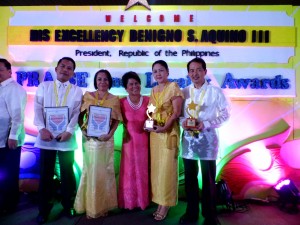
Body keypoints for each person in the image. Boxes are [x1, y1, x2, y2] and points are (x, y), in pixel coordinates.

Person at [179, 57, 230, 225]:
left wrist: (206, 123)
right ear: (188, 73)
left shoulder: (215, 92)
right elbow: (178, 115)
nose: (195, 73)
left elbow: (225, 114)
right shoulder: (183, 92)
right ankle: (191, 212)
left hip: (207, 141)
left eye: (198, 70)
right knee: (190, 178)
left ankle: (210, 214)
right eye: (192, 70)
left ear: (205, 72)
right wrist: (183, 122)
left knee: (208, 179)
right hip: (188, 141)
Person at [34, 57, 83, 224]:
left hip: (66, 137)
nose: (65, 70)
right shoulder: (44, 86)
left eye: (69, 68)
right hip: (46, 136)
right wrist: (42, 128)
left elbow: (76, 112)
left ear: (73, 73)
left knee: (67, 173)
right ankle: (44, 208)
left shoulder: (77, 90)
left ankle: (68, 204)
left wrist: (69, 131)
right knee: (45, 174)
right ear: (56, 69)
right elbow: (37, 109)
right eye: (63, 66)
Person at [74, 69, 123, 219]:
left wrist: (110, 134)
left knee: (105, 173)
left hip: (106, 140)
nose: (103, 82)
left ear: (110, 82)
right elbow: (79, 116)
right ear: (96, 81)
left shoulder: (114, 99)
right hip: (90, 141)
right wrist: (83, 131)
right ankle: (90, 207)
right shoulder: (88, 96)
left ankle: (104, 206)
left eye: (106, 79)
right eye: (100, 79)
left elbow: (116, 120)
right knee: (90, 171)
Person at [146, 60, 184, 221]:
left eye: (161, 70)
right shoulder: (154, 89)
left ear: (167, 72)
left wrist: (164, 127)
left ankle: (166, 204)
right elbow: (150, 110)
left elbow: (176, 113)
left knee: (167, 169)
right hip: (155, 134)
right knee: (158, 169)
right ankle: (159, 201)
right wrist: (147, 124)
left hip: (168, 133)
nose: (158, 73)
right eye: (155, 71)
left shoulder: (173, 87)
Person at [118, 71, 150, 210]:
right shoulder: (121, 102)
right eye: (130, 84)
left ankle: (143, 201)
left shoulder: (149, 100)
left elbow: (152, 119)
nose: (134, 86)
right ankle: (128, 202)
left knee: (143, 170)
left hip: (144, 140)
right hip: (128, 142)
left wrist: (149, 126)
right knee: (128, 171)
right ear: (125, 87)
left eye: (136, 83)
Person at [0, 58, 27, 215]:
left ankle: (10, 206)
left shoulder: (14, 88)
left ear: (9, 71)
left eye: (0, 69)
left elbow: (17, 116)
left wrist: (13, 136)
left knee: (8, 174)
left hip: (8, 140)